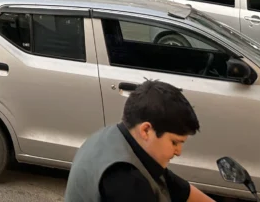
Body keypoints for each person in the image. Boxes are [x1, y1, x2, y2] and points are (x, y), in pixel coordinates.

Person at [64, 80, 211, 202]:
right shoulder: (127, 181)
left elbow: (180, 189)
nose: (179, 152)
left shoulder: (113, 137)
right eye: (174, 142)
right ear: (146, 130)